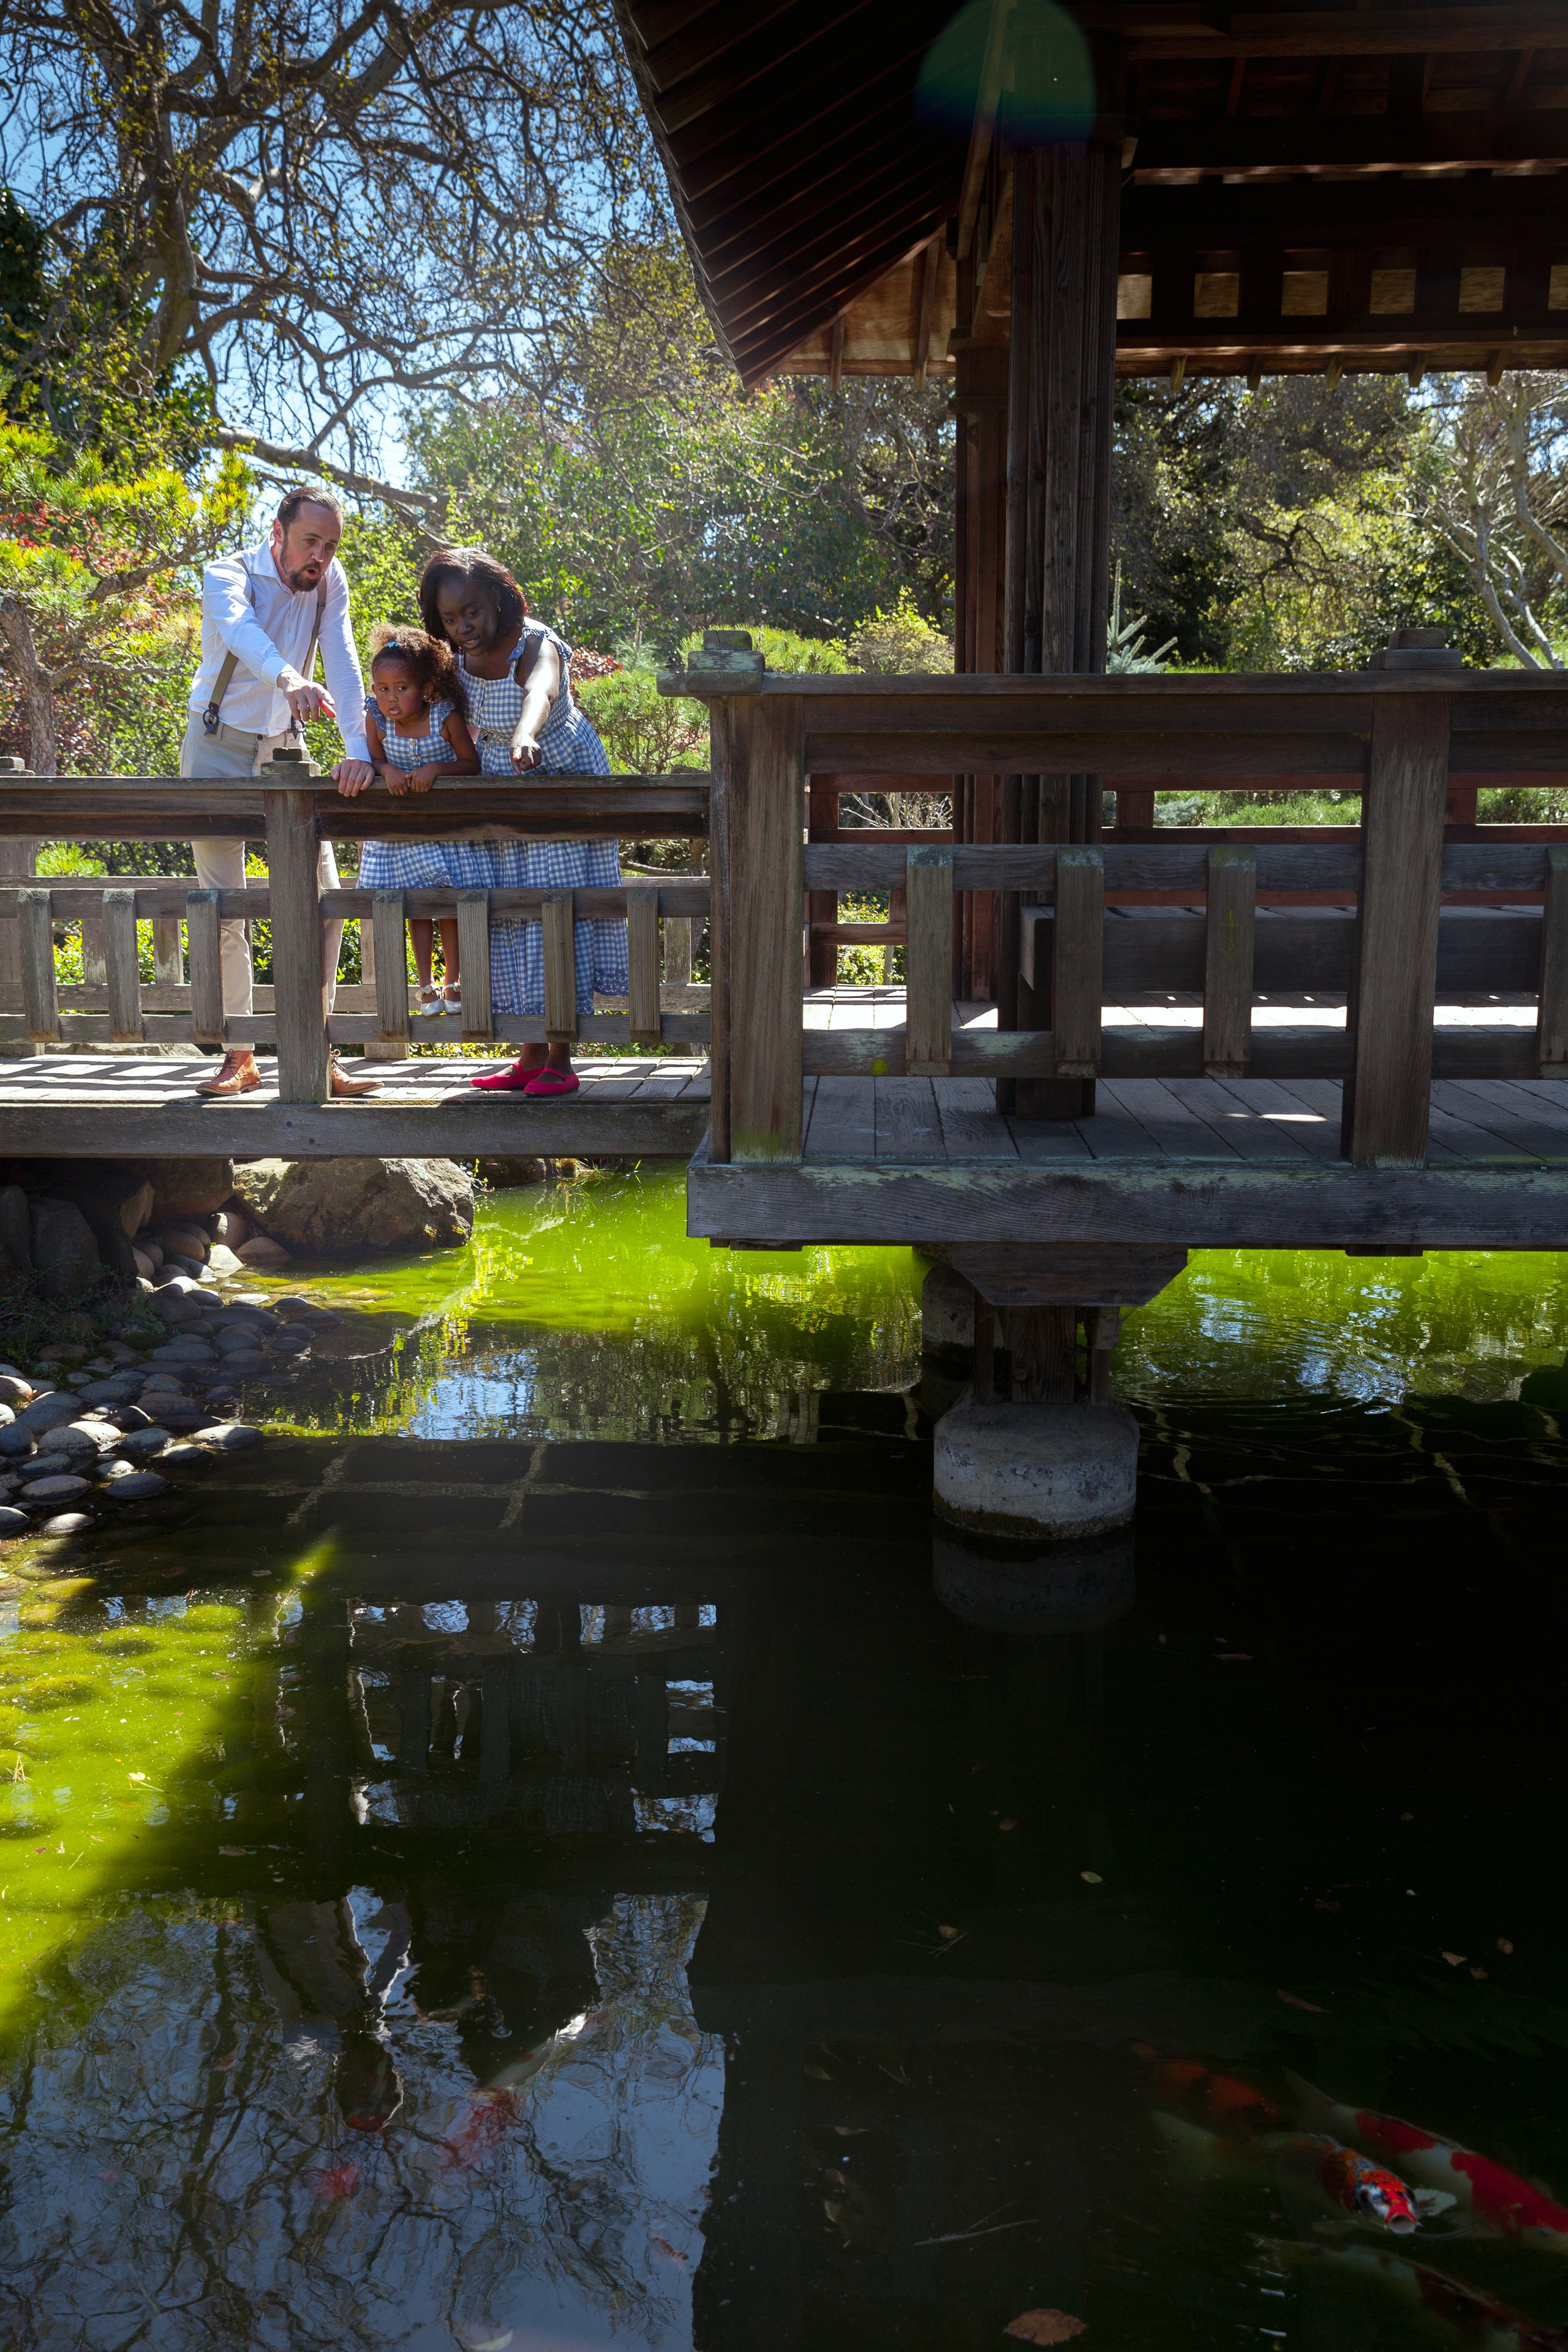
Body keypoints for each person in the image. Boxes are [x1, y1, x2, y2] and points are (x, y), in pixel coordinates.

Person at [183, 486, 382, 1098]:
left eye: (329, 545)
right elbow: (242, 632)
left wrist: (357, 750)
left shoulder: (329, 582)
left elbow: (345, 662)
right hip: (216, 743)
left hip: (285, 748)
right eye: (308, 542)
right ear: (278, 533)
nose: (319, 556)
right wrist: (291, 675)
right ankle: (240, 1053)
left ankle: (316, 1052)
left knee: (324, 898)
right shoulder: (228, 573)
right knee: (222, 906)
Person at [417, 548, 627, 1096]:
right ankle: (531, 1053)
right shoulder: (452, 657)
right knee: (512, 917)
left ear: (500, 599)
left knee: (557, 912)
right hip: (497, 786)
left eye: (473, 613)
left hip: (555, 774)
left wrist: (525, 733)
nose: (463, 627)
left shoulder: (537, 641)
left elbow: (541, 689)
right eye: (450, 619)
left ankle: (562, 1057)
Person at [339, 623, 479, 1017]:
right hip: (399, 836)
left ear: (427, 688)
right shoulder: (377, 721)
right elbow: (375, 759)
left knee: (448, 905)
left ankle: (455, 984)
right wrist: (385, 771)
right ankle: (426, 987)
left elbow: (471, 765)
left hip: (442, 832)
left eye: (402, 688)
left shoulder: (444, 718)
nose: (391, 698)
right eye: (382, 689)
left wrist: (436, 768)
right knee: (415, 909)